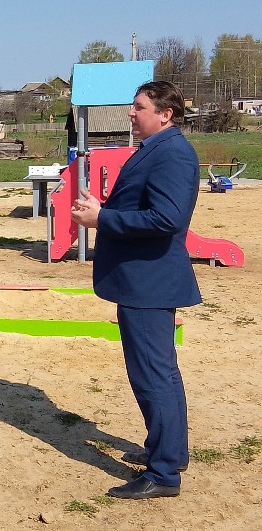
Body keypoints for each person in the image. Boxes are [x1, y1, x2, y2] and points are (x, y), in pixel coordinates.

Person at [70, 81, 201, 500]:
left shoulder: (173, 154)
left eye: (139, 107)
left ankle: (163, 474)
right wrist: (105, 209)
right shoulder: (159, 149)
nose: (131, 113)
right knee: (160, 374)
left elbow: (166, 218)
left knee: (152, 377)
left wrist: (103, 219)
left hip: (149, 281)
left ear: (166, 114)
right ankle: (170, 453)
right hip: (146, 280)